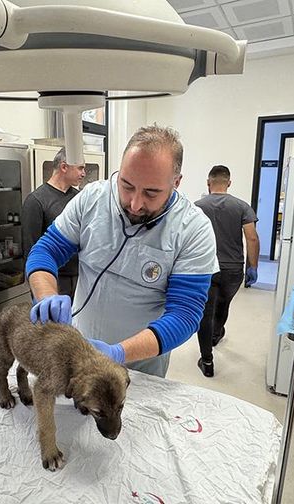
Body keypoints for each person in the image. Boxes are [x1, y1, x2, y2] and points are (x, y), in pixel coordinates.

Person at [24, 125, 218, 377]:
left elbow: (184, 315)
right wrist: (47, 295)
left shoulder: (193, 229)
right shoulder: (92, 199)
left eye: (151, 192)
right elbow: (45, 251)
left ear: (176, 183)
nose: (135, 204)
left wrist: (118, 352)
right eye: (126, 185)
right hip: (78, 349)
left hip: (142, 366)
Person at [193, 165, 260, 377]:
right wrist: (253, 266)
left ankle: (207, 360)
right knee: (223, 304)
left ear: (208, 182)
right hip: (233, 270)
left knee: (206, 312)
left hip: (205, 268)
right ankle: (215, 335)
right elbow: (252, 237)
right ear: (229, 183)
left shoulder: (196, 206)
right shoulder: (242, 206)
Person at [21, 147, 86, 298]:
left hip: (81, 276)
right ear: (64, 167)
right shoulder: (36, 201)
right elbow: (30, 249)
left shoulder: (79, 198)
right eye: (80, 168)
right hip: (53, 278)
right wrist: (38, 289)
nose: (83, 173)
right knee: (54, 321)